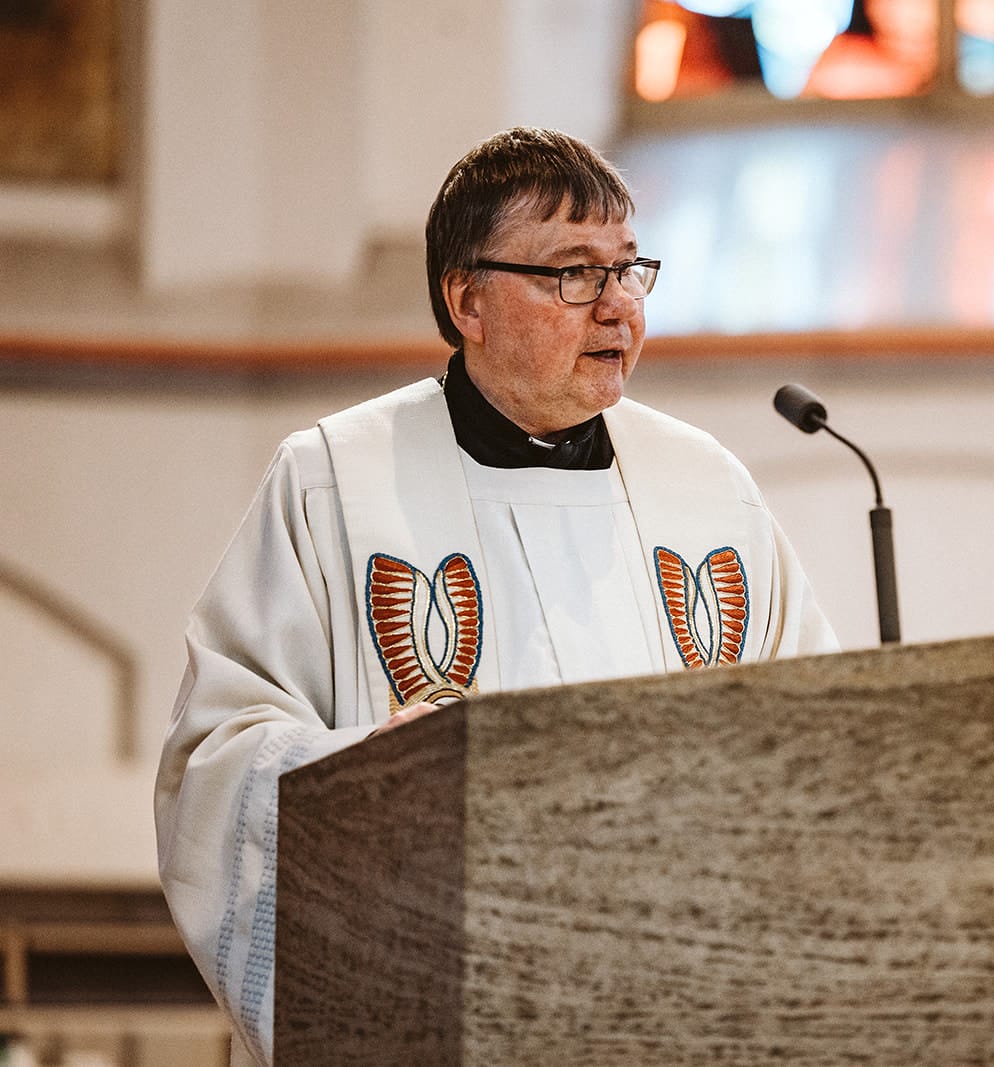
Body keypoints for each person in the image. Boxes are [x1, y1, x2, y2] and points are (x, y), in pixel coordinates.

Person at [154, 127, 838, 1065]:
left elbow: (822, 735)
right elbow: (215, 756)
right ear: (467, 297)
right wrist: (364, 775)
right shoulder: (335, 483)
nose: (617, 308)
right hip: (445, 1010)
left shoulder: (707, 490)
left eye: (630, 270)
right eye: (573, 273)